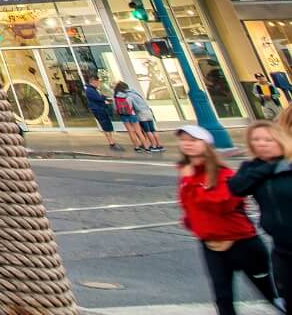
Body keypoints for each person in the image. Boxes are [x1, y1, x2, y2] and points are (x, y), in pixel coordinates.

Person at [176, 122, 278, 315]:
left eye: (193, 140)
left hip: (243, 243)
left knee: (270, 293)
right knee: (222, 296)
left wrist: (190, 184)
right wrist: (194, 224)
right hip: (211, 244)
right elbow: (189, 206)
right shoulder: (187, 173)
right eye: (183, 140)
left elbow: (222, 203)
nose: (188, 144)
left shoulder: (223, 173)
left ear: (206, 144)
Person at [230, 121, 292, 298]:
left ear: (281, 140)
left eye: (267, 139)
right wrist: (269, 167)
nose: (261, 143)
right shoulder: (252, 169)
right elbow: (236, 188)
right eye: (255, 139)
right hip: (282, 248)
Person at [81, 74, 122, 151]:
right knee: (105, 126)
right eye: (97, 82)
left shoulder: (93, 89)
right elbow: (98, 98)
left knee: (107, 125)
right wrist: (104, 98)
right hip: (99, 110)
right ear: (93, 82)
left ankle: (112, 141)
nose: (98, 84)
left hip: (100, 109)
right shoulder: (90, 90)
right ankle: (111, 143)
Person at [112, 81, 156, 153]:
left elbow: (115, 108)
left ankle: (136, 147)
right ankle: (146, 147)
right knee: (138, 132)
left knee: (131, 132)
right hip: (132, 115)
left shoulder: (115, 97)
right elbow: (137, 107)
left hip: (123, 116)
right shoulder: (128, 96)